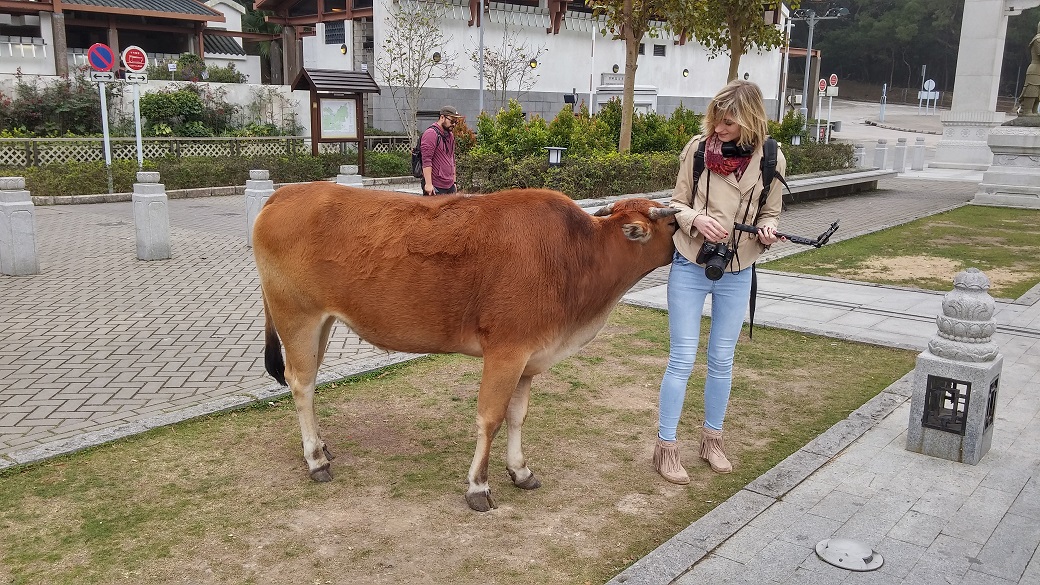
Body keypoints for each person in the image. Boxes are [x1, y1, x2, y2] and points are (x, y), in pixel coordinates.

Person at [653, 79, 786, 484]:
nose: (718, 129)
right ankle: (666, 448)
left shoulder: (772, 158)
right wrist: (695, 219)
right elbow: (674, 203)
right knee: (682, 358)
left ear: (748, 121)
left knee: (722, 361)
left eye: (727, 122)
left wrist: (767, 230)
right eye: (715, 119)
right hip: (692, 262)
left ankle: (712, 440)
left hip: (738, 267)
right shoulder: (697, 150)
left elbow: (771, 212)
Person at [421, 106, 461, 195]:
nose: (454, 124)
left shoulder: (450, 135)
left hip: (449, 185)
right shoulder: (431, 134)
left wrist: (454, 182)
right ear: (442, 117)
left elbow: (452, 159)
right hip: (436, 186)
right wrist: (428, 184)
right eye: (452, 121)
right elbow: (426, 160)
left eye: (456, 122)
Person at [1018, 20, 1040, 116]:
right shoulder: (1038, 39)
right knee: (1032, 89)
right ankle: (1027, 110)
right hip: (1035, 69)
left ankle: (1034, 110)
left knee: (1038, 91)